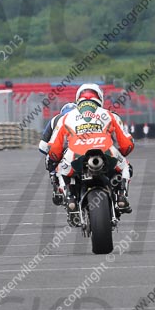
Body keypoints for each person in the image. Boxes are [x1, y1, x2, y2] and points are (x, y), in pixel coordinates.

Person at [47, 83, 135, 214]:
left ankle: (70, 199)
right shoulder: (110, 114)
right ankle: (122, 196)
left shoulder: (65, 117)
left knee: (60, 171)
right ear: (100, 98)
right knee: (126, 167)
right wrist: (121, 154)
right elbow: (127, 144)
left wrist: (57, 157)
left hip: (75, 154)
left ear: (78, 98)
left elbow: (53, 147)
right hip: (106, 151)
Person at [38, 102, 76, 206]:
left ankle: (55, 182)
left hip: (61, 153)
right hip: (83, 151)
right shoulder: (86, 118)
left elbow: (42, 146)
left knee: (49, 159)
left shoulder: (55, 119)